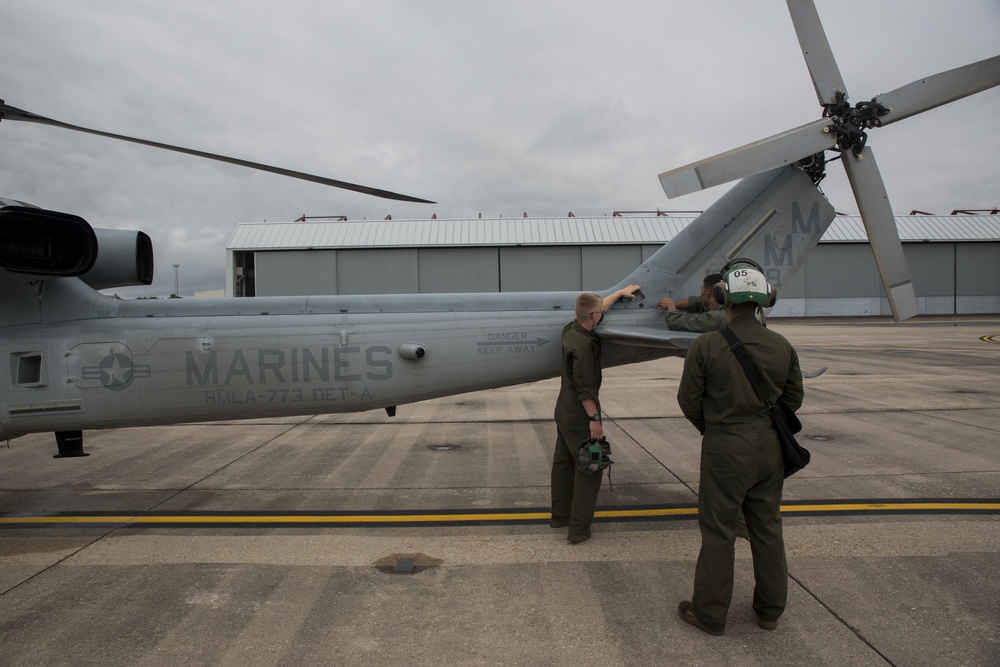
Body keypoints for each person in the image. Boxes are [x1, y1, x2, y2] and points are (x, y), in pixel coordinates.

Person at [675, 264, 803, 635]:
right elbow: (793, 398)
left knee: (719, 531)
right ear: (766, 300)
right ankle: (769, 612)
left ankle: (711, 614)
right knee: (767, 528)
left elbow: (689, 401)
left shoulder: (707, 345)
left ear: (721, 297)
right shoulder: (782, 345)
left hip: (725, 450)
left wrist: (715, 428)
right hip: (769, 450)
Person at [551, 284, 641, 544]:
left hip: (563, 411)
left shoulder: (570, 329)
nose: (602, 314)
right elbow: (585, 388)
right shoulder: (584, 347)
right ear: (593, 317)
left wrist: (619, 293)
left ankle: (559, 516)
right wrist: (595, 420)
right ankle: (578, 530)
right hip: (580, 413)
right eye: (600, 312)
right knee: (591, 467)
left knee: (564, 464)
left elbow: (594, 307)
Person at [657, 273, 726, 332]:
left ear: (707, 293)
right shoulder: (725, 304)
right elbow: (697, 301)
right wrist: (674, 304)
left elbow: (675, 321)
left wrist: (671, 307)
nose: (700, 294)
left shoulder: (716, 318)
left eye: (701, 290)